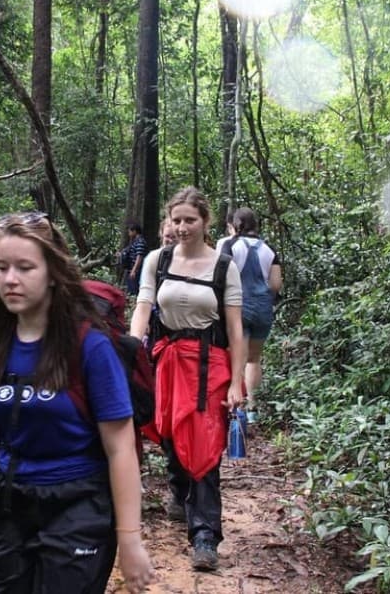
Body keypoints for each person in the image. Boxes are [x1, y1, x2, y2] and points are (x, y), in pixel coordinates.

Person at [0, 212, 155, 594]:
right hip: (12, 502)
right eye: (1, 267)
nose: (10, 279)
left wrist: (130, 540)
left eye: (24, 267)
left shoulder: (90, 345)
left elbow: (119, 448)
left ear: (52, 272)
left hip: (79, 502)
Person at [129, 187, 245, 572]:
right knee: (169, 434)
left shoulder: (224, 266)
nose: (182, 227)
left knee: (205, 444)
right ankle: (179, 490)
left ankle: (205, 536)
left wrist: (236, 383)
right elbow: (143, 306)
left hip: (210, 366)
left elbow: (235, 328)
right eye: (176, 220)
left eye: (190, 220)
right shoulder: (156, 260)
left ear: (206, 222)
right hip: (167, 360)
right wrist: (130, 351)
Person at [217, 207, 283, 423]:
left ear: (235, 225)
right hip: (263, 308)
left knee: (236, 357)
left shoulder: (230, 245)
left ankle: (237, 407)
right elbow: (275, 285)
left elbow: (220, 276)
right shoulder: (269, 250)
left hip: (238, 307)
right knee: (254, 359)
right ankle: (253, 408)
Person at [121, 221, 148, 296]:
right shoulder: (134, 242)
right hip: (131, 269)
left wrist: (134, 270)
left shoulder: (140, 242)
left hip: (137, 271)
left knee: (134, 290)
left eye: (130, 231)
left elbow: (139, 257)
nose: (128, 233)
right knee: (130, 289)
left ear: (135, 231)